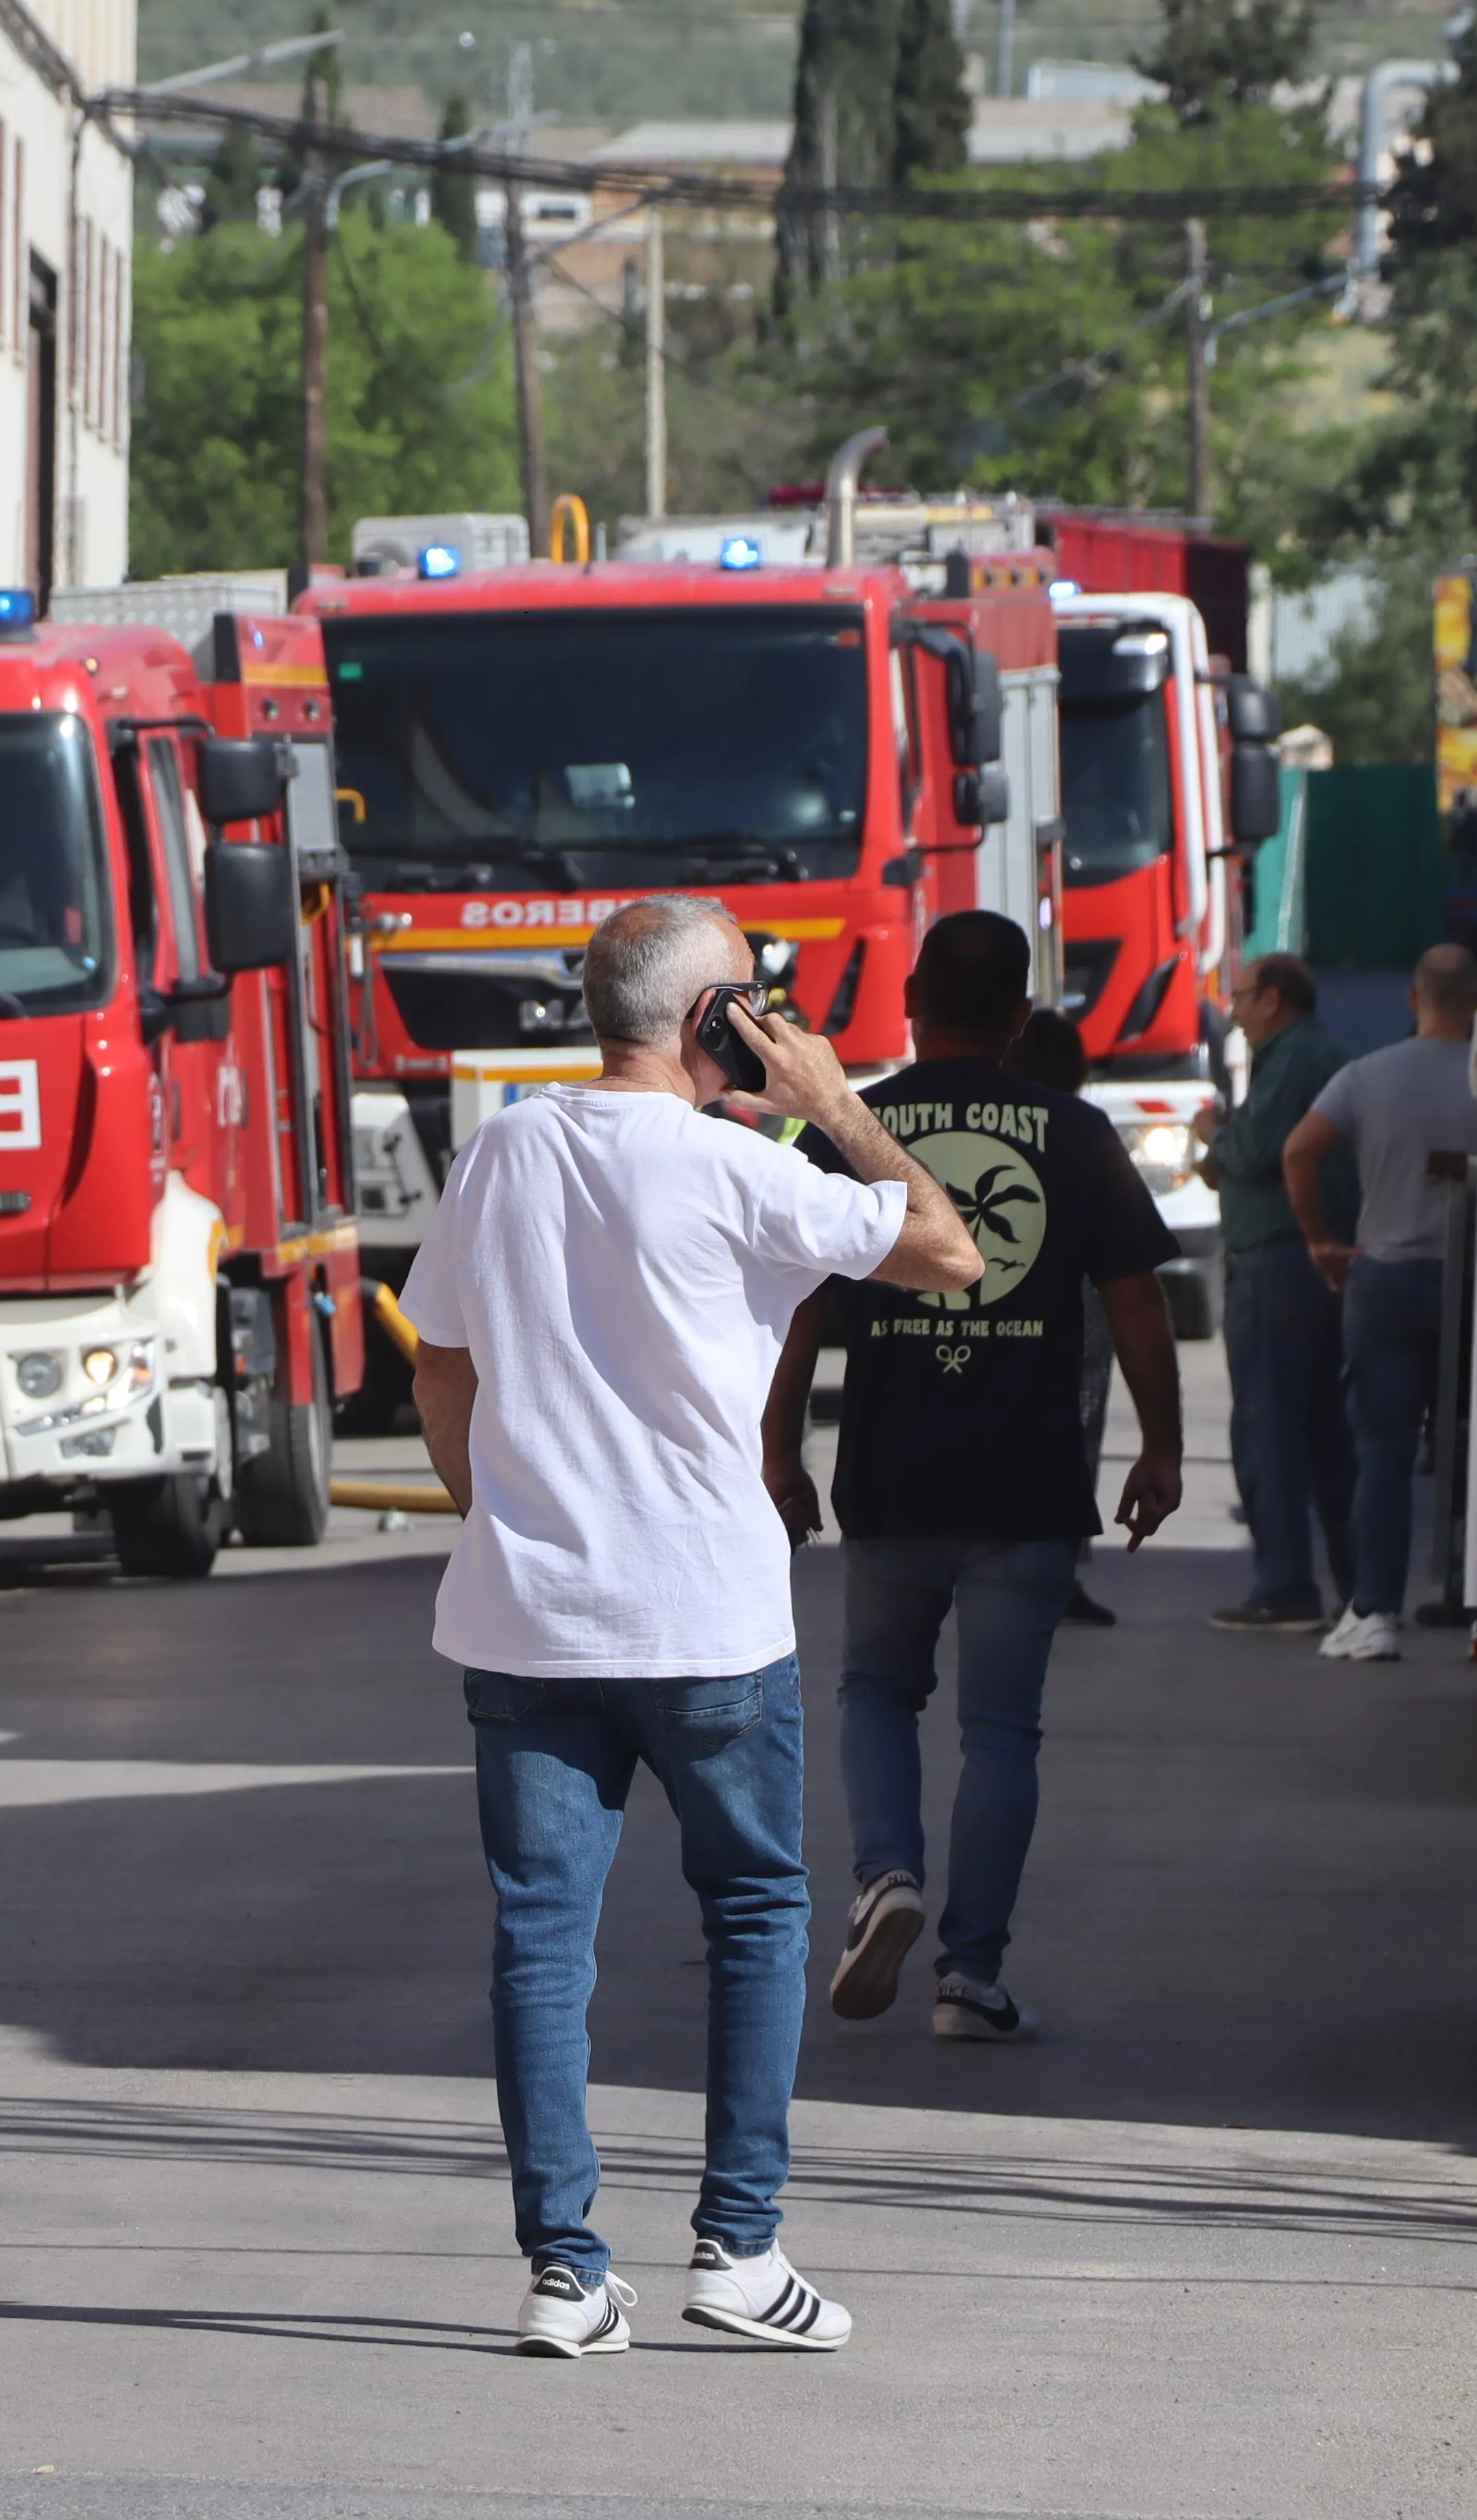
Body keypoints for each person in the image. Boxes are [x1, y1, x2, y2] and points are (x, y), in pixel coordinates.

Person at [402, 894, 979, 2362]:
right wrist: (838, 1096)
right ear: (716, 1016)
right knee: (756, 1913)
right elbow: (948, 1248)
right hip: (710, 1621)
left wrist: (499, 1508)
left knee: (542, 1937)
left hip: (529, 1622)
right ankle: (740, 2242)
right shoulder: (742, 1168)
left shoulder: (505, 1152)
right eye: (754, 999)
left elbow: (443, 1375)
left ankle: (563, 2272)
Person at [768, 912, 1183, 2047]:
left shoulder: (856, 1128)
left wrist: (778, 1447)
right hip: (1028, 1477)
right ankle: (970, 1977)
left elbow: (801, 1311)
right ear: (1022, 1014)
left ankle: (883, 1879)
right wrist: (1162, 1447)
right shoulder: (1076, 1129)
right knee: (1003, 1732)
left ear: (908, 999)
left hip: (894, 1470)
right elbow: (1139, 1304)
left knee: (876, 1693)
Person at [1284, 944, 1477, 1665]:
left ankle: (1375, 1611)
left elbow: (1299, 1150)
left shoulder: (1367, 1076)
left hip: (1386, 1278)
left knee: (1384, 1453)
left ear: (1413, 1000)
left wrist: (1320, 1241)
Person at [1195, 954, 1358, 1637]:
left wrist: (1214, 1136)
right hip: (1309, 1262)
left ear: (1275, 998)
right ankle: (1356, 1585)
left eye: (1240, 998)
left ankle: (1285, 1584)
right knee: (1323, 1429)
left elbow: (1258, 1148)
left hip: (1277, 1262)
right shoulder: (1314, 1056)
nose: (1232, 1011)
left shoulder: (1294, 1059)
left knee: (1268, 1426)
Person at [997, 1007, 1119, 1630]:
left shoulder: (999, 1127)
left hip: (1001, 1301)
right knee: (1075, 1432)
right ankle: (1056, 1569)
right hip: (1077, 1308)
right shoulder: (1080, 1128)